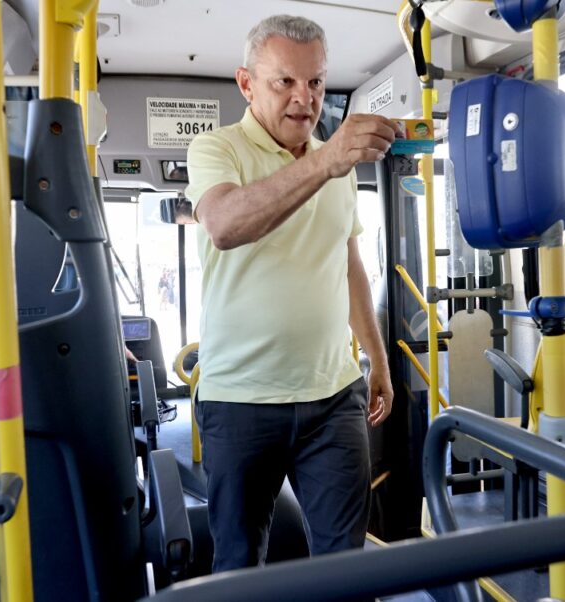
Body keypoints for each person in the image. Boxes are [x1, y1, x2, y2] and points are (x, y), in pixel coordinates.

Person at [185, 14, 397, 572]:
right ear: (246, 83)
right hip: (240, 400)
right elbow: (227, 225)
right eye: (286, 82)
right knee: (239, 563)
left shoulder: (340, 167)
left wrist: (376, 358)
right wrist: (327, 161)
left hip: (333, 397)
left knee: (343, 565)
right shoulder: (216, 149)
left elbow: (348, 264)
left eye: (317, 83)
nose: (306, 99)